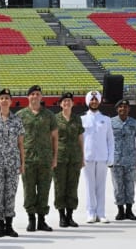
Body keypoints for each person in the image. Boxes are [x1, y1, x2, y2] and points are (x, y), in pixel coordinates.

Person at [0, 88, 24, 238]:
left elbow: (21, 144)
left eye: (7, 98)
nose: (5, 100)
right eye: (2, 98)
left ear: (11, 101)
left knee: (11, 193)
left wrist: (22, 163)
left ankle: (10, 225)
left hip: (13, 162)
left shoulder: (17, 120)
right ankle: (0, 225)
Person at [17, 85, 58, 232]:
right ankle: (31, 219)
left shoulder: (49, 115)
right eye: (32, 94)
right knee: (28, 190)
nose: (35, 96)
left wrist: (55, 158)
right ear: (28, 97)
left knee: (44, 189)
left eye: (38, 94)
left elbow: (55, 138)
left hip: (45, 159)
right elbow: (17, 140)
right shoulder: (20, 115)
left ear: (41, 97)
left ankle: (42, 220)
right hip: (27, 159)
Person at [81, 90, 114, 224]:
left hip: (102, 156)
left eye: (96, 100)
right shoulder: (82, 119)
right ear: (88, 101)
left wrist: (111, 156)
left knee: (101, 186)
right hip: (87, 156)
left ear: (99, 101)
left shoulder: (106, 119)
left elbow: (110, 140)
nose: (94, 102)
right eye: (91, 99)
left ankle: (101, 213)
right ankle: (90, 212)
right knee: (89, 186)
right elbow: (80, 140)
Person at [110, 99, 136, 221]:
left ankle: (129, 210)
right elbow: (106, 141)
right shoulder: (111, 122)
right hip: (116, 160)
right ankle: (120, 210)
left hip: (131, 160)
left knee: (130, 186)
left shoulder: (135, 123)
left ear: (129, 109)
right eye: (120, 107)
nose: (123, 109)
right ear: (117, 109)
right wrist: (108, 158)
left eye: (125, 107)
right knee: (118, 186)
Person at [53, 93, 84, 228]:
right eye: (64, 101)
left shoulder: (77, 119)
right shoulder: (54, 119)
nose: (66, 103)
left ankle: (70, 216)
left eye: (69, 101)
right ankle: (62, 216)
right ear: (60, 104)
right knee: (60, 187)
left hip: (74, 158)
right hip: (59, 158)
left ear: (72, 104)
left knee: (72, 187)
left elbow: (80, 139)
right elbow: (52, 139)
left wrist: (82, 157)